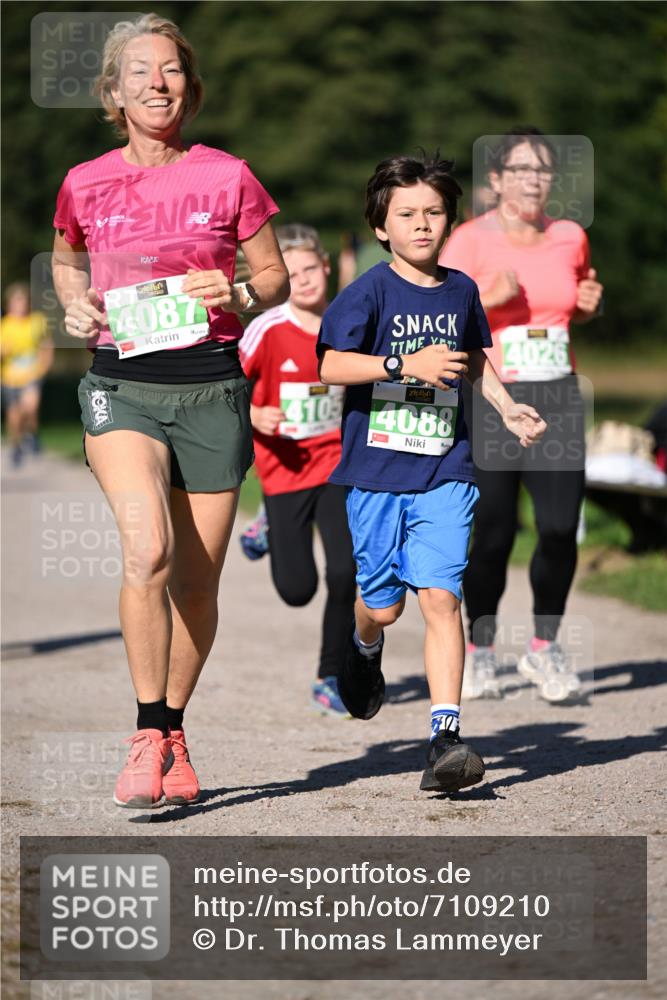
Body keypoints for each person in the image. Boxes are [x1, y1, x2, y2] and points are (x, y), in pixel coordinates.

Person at [51, 14, 288, 808]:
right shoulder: (85, 180)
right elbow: (64, 255)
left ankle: (176, 727)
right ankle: (147, 731)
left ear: (190, 87)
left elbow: (275, 280)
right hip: (122, 385)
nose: (158, 83)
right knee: (147, 552)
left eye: (172, 71)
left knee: (195, 583)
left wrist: (242, 293)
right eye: (141, 72)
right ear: (113, 92)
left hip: (213, 388)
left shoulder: (229, 175)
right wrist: (76, 301)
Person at [317, 152, 546, 793]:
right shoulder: (367, 291)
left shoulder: (462, 290)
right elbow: (332, 365)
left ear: (450, 222)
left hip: (447, 466)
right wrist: (400, 366)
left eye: (434, 213)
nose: (422, 224)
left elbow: (473, 358)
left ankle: (444, 739)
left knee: (443, 597)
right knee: (384, 610)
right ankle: (362, 649)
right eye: (407, 214)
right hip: (376, 472)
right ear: (382, 226)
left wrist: (507, 409)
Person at [441, 127, 603, 703]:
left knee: (559, 527)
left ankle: (544, 648)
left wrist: (586, 306)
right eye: (521, 170)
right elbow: (440, 315)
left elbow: (570, 303)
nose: (533, 179)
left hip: (557, 394)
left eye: (542, 170)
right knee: (494, 532)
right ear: (497, 180)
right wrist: (485, 293)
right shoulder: (467, 241)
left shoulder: (568, 236)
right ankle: (480, 651)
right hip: (494, 398)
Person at [239, 224, 357, 717]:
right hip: (283, 471)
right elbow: (226, 389)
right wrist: (252, 415)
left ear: (326, 268)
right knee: (296, 591)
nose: (304, 280)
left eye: (311, 268)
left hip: (335, 465)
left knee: (346, 573)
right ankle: (269, 520)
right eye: (293, 273)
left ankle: (330, 675)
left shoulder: (348, 325)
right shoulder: (265, 329)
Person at [1, 282, 53, 466]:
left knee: (30, 407)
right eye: (16, 301)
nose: (20, 305)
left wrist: (44, 367)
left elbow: (46, 345)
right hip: (9, 377)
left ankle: (31, 433)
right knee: (14, 415)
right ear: (9, 304)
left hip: (32, 374)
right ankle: (16, 446)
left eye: (23, 300)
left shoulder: (37, 320)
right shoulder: (4, 325)